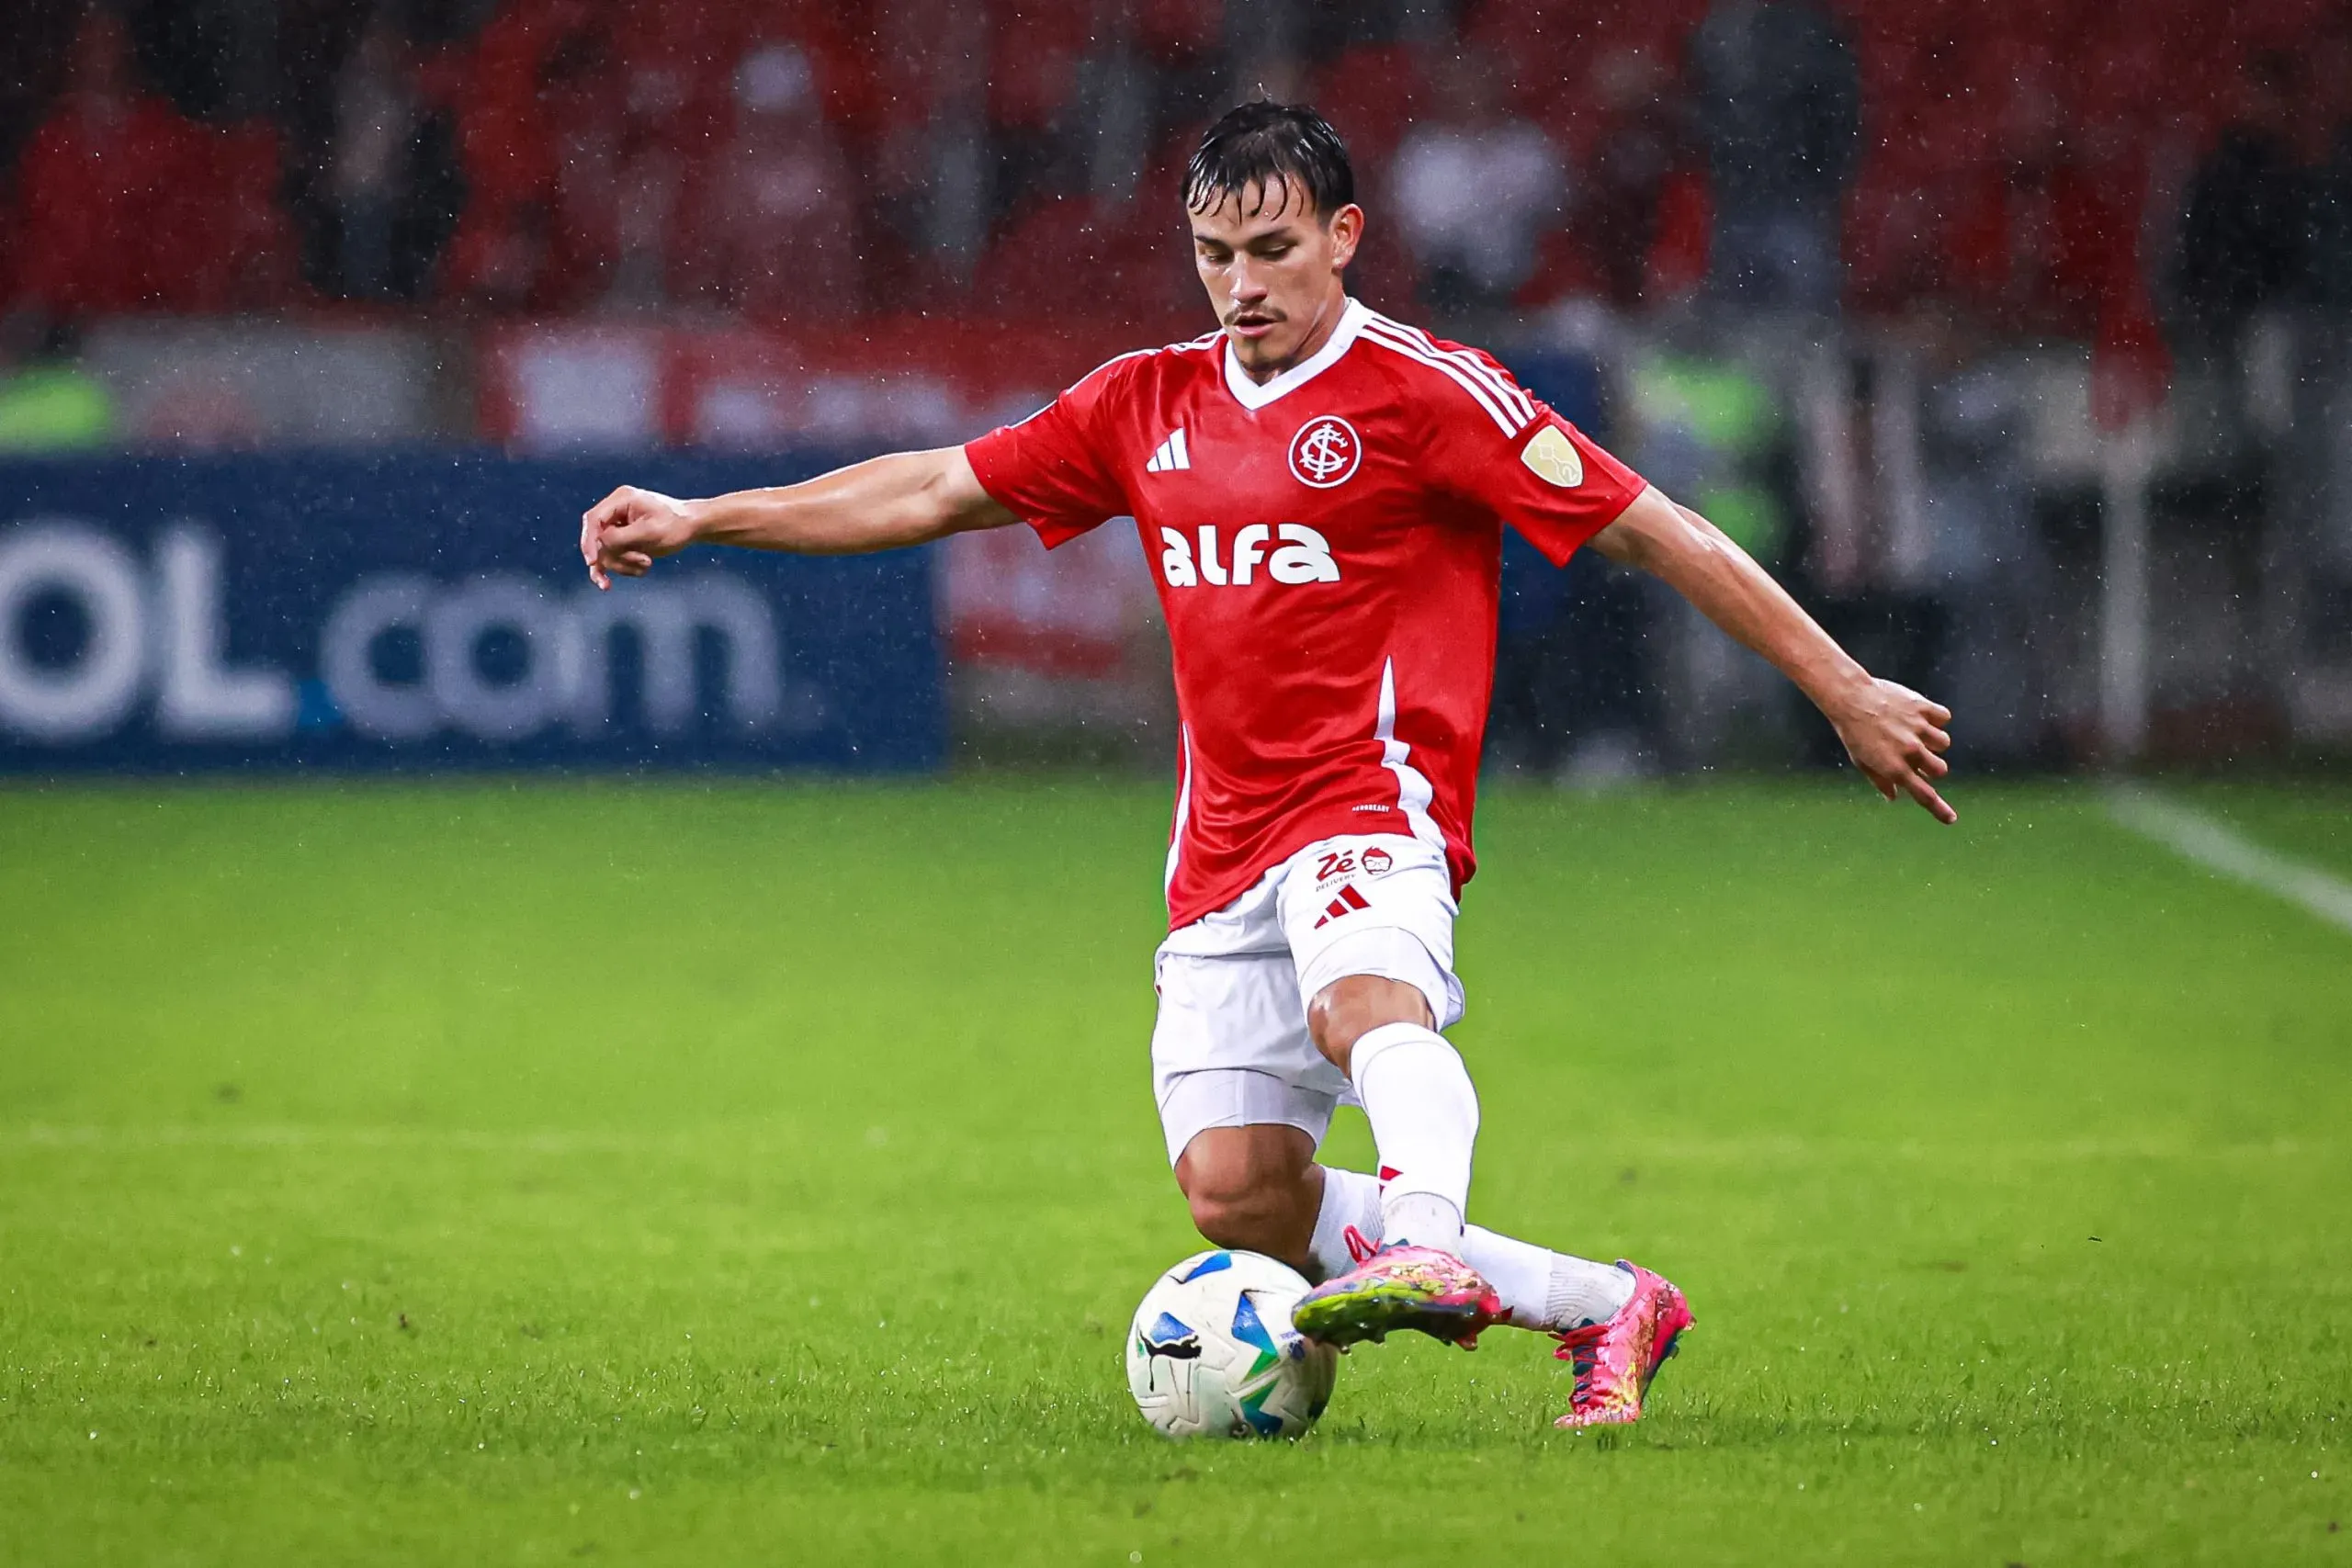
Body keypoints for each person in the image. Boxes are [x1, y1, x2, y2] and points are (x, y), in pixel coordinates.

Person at [579, 102, 1955, 1427]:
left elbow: (1652, 526)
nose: (1242, 284)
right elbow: (935, 486)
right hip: (1219, 846)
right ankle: (1608, 1304)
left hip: (1373, 801)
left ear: (1345, 234)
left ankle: (1422, 1234)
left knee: (1371, 1006)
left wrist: (1843, 688)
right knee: (1239, 1194)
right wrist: (710, 515)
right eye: (1216, 254)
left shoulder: (1427, 391)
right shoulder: (1145, 402)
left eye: (1274, 249)